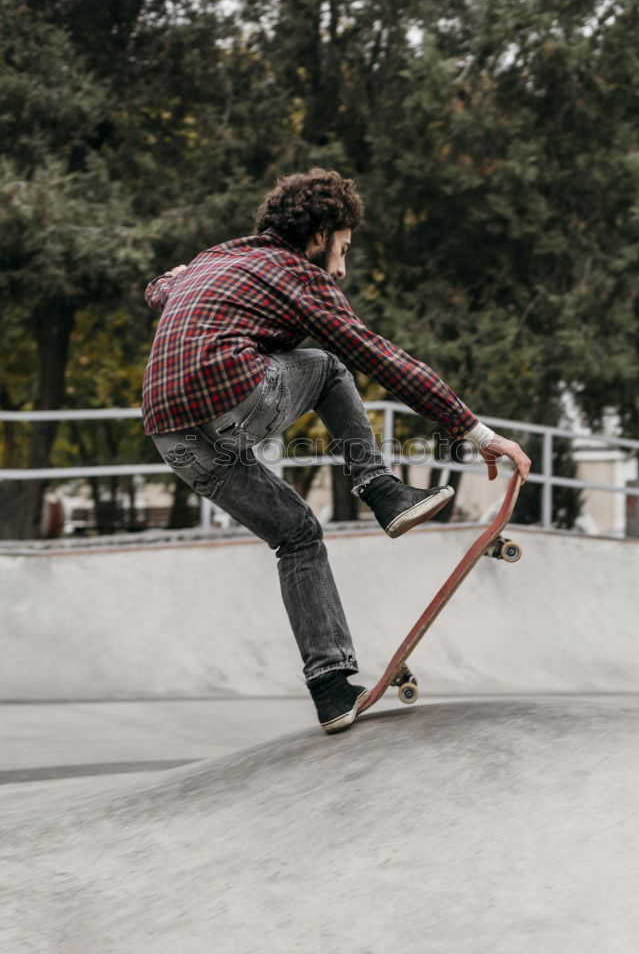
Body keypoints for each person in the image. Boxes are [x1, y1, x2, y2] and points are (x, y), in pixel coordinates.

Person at [142, 168, 531, 734]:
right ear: (319, 232)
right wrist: (475, 433)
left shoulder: (214, 260)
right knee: (328, 366)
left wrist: (171, 275)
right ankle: (381, 489)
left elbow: (160, 290)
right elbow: (382, 357)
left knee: (296, 533)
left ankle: (330, 688)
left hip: (169, 433)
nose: (342, 268)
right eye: (342, 248)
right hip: (233, 392)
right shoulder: (297, 274)